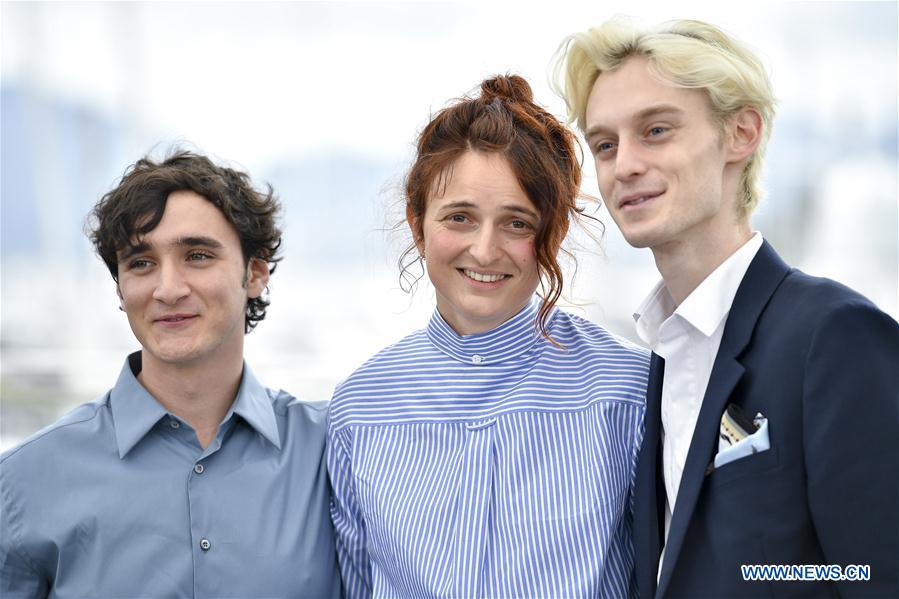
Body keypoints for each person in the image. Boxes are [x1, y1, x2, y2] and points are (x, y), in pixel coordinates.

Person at [553, 17, 899, 598]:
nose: (625, 165)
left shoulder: (833, 335)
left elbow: (876, 573)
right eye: (605, 144)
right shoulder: (652, 365)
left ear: (741, 134)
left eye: (656, 130)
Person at [327, 74, 649, 597]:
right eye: (459, 217)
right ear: (417, 225)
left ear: (554, 232)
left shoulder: (626, 391)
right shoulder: (359, 409)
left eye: (517, 223)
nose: (483, 250)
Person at [0, 150, 340, 598]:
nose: (168, 289)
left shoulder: (334, 454)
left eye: (197, 255)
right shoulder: (24, 480)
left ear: (255, 273)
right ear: (120, 288)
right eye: (141, 262)